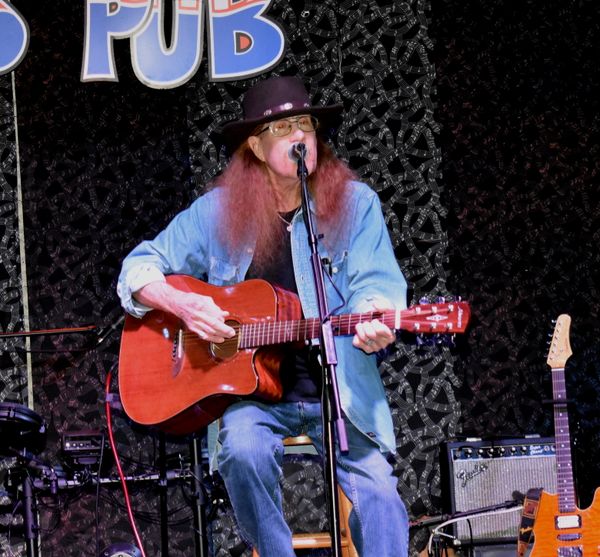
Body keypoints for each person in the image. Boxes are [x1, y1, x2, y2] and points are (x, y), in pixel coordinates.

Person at [117, 75, 409, 557]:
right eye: (283, 127)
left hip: (340, 393)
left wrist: (374, 317)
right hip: (254, 397)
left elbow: (375, 285)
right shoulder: (218, 212)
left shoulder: (357, 204)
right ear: (255, 146)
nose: (300, 135)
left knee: (379, 492)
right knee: (241, 450)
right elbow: (137, 270)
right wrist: (185, 305)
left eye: (306, 124)